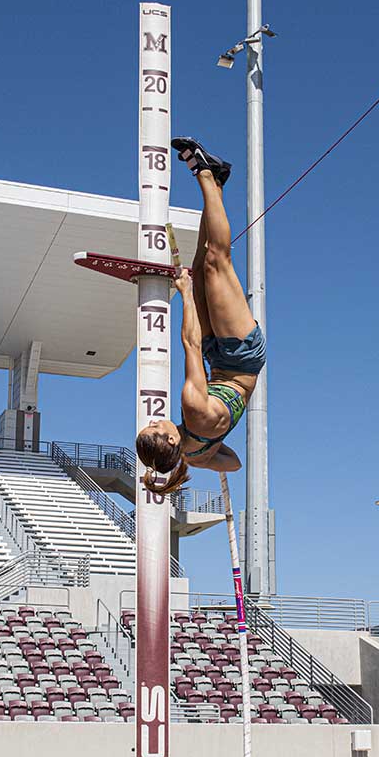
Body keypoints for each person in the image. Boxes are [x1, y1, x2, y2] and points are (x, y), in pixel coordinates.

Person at [135, 137, 267, 495]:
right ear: (168, 439)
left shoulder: (197, 457)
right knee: (214, 262)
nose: (153, 420)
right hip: (240, 356)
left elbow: (234, 463)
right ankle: (206, 173)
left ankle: (218, 184)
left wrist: (212, 445)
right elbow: (189, 342)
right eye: (153, 427)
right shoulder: (192, 407)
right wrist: (184, 294)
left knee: (198, 264)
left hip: (222, 366)